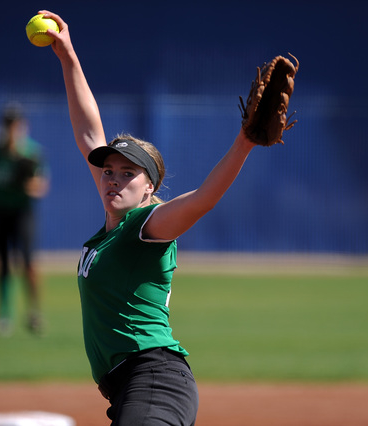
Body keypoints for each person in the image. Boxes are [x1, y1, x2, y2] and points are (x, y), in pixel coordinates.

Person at [43, 9, 261, 425]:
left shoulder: (146, 225)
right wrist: (68, 56)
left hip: (154, 380)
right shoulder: (113, 225)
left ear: (149, 188)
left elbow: (203, 200)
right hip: (132, 385)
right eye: (108, 171)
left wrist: (244, 143)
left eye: (128, 173)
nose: (113, 180)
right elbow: (90, 135)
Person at [0, 101, 50, 336]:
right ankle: (4, 315)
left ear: (22, 125)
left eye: (15, 123)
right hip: (0, 210)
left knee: (28, 264)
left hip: (23, 213)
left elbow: (41, 187)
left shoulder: (31, 153)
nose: (11, 128)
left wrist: (26, 183)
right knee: (2, 264)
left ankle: (35, 312)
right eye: (7, 123)